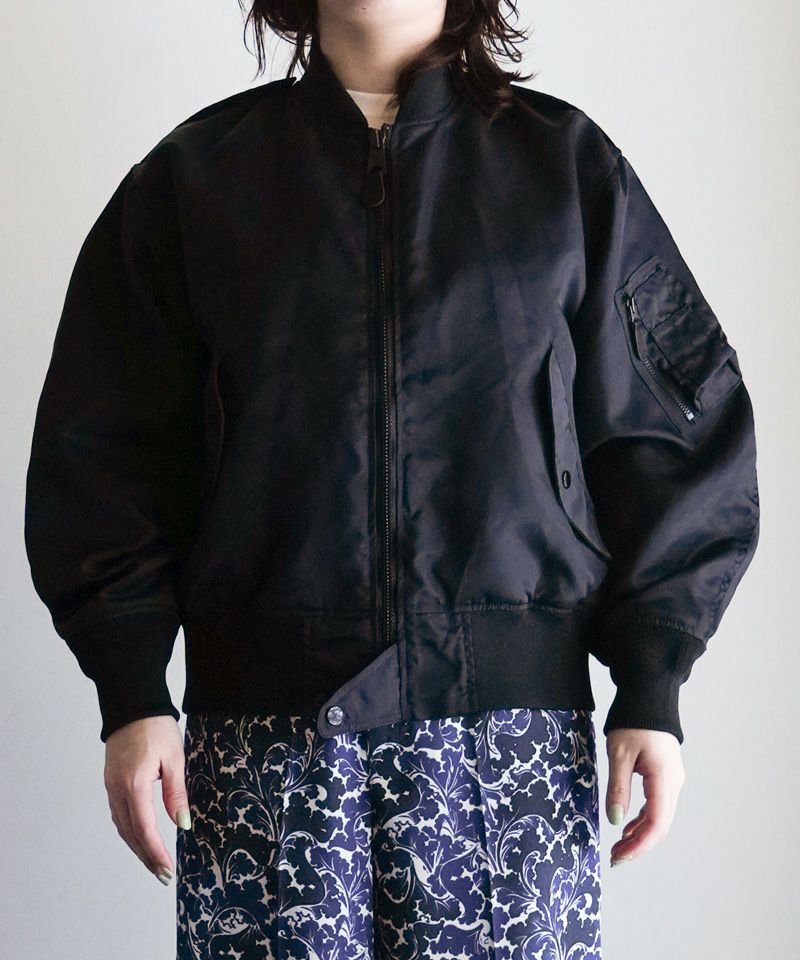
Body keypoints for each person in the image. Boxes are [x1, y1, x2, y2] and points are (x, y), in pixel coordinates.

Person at [24, 1, 760, 958]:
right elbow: (101, 445)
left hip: (509, 752)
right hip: (266, 751)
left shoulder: (566, 170)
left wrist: (652, 680)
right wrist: (131, 689)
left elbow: (677, 431)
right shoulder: (196, 179)